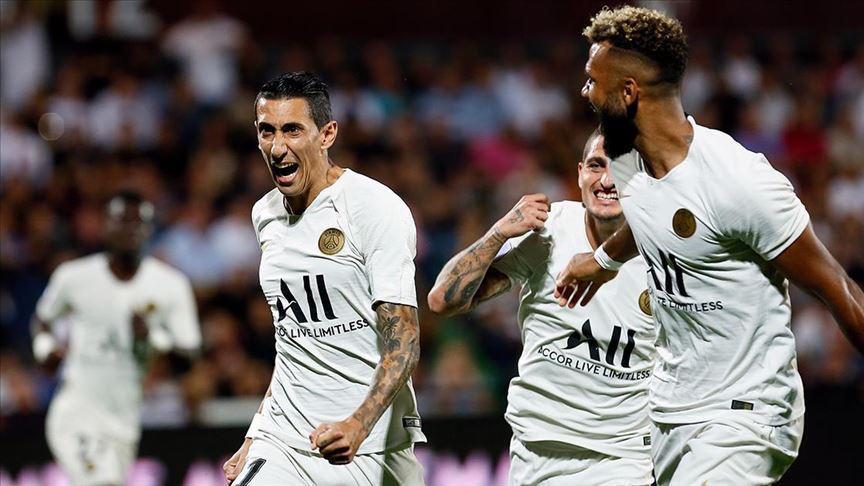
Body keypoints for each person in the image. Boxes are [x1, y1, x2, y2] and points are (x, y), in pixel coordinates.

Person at [554, 6, 864, 485]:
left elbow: (837, 287)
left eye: (593, 81)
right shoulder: (626, 160)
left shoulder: (738, 182)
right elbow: (654, 213)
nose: (585, 92)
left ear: (629, 92)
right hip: (673, 412)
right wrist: (603, 261)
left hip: (746, 412)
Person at [223, 72, 425, 485]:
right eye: (267, 131)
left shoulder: (374, 208)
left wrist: (357, 425)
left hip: (368, 445)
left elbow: (404, 341)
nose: (277, 147)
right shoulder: (265, 215)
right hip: (283, 440)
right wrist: (255, 435)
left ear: (327, 134)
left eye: (292, 130)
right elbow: (292, 340)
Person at [428, 130, 656, 485]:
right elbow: (443, 299)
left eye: (621, 169)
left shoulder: (662, 254)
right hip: (534, 454)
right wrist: (498, 233)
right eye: (596, 166)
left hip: (620, 458)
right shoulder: (551, 231)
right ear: (580, 173)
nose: (606, 181)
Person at [32, 191, 201, 486]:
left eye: (139, 222)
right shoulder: (74, 277)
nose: (130, 229)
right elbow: (43, 319)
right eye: (122, 220)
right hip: (77, 411)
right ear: (105, 225)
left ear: (149, 229)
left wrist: (152, 338)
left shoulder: (170, 286)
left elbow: (188, 356)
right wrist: (45, 349)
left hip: (125, 421)